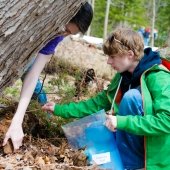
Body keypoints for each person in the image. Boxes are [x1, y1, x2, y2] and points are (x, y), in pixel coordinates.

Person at [42, 28, 170, 170]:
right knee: (95, 130)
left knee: (131, 97)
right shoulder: (122, 77)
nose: (108, 62)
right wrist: (59, 109)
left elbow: (166, 121)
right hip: (129, 142)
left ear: (130, 55)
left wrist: (121, 121)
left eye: (112, 56)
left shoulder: (159, 77)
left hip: (154, 155)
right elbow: (96, 103)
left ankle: (134, 166)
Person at [3, 2, 93, 150]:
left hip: (28, 61)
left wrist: (17, 121)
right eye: (66, 30)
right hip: (14, 52)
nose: (64, 35)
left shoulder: (57, 36)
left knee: (39, 95)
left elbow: (33, 74)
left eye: (70, 34)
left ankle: (44, 126)